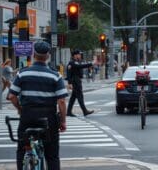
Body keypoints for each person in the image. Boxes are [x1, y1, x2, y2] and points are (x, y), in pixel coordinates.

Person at [7, 41, 68, 170]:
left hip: (27, 116)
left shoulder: (22, 73)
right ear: (47, 56)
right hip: (48, 118)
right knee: (52, 156)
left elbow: (12, 96)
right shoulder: (55, 75)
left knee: (21, 149)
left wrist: (20, 109)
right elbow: (61, 101)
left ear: (34, 55)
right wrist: (63, 121)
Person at [67, 49, 94, 117]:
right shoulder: (72, 62)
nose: (80, 55)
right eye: (79, 54)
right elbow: (69, 73)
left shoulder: (76, 62)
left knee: (73, 97)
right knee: (80, 96)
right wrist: (69, 83)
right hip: (75, 81)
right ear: (75, 55)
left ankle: (68, 111)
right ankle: (84, 111)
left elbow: (80, 65)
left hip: (77, 80)